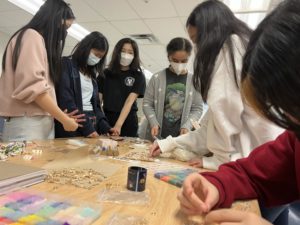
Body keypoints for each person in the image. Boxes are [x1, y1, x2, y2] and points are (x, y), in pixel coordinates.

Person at [177, 0, 300, 224]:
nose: (290, 120)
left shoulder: (229, 47)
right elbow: (257, 172)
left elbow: (225, 123)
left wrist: (215, 163)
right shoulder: (295, 139)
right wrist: (219, 183)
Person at [149, 0, 283, 170]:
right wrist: (169, 143)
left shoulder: (230, 46)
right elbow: (211, 130)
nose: (197, 49)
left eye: (197, 41)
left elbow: (225, 118)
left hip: (256, 163)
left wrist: (217, 160)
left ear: (211, 32)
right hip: (262, 158)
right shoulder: (242, 44)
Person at [0, 0, 79, 142]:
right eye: (65, 27)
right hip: (28, 122)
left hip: (37, 121)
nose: (65, 33)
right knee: (23, 164)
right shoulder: (31, 36)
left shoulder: (37, 41)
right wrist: (63, 119)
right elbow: (34, 89)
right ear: (54, 20)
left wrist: (61, 116)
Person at [55, 31, 118, 138]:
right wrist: (87, 127)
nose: (97, 59)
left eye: (100, 57)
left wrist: (106, 127)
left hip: (91, 120)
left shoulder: (92, 76)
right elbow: (66, 100)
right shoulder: (65, 64)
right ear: (86, 48)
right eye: (96, 54)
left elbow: (96, 106)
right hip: (75, 121)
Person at [142, 37, 203, 141]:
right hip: (157, 135)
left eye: (184, 61)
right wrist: (153, 122)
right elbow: (147, 104)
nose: (179, 64)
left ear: (189, 58)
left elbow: (197, 108)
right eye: (175, 60)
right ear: (168, 57)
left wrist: (187, 125)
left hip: (181, 138)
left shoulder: (194, 81)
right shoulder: (157, 78)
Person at [97, 38, 146, 137]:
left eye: (130, 52)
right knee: (106, 151)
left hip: (128, 121)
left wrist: (118, 125)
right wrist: (104, 124)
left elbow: (129, 102)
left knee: (128, 151)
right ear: (117, 52)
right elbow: (98, 101)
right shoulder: (105, 74)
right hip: (106, 118)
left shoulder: (138, 76)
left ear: (134, 55)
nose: (126, 55)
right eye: (123, 51)